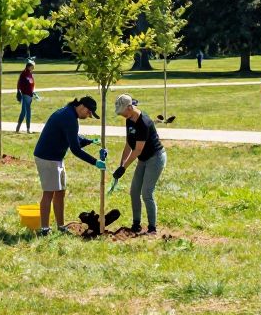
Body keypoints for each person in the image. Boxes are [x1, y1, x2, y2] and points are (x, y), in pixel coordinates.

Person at [33, 96, 105, 235]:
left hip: (56, 158)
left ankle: (60, 226)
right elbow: (75, 149)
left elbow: (73, 137)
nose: (89, 116)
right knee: (49, 193)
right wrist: (95, 162)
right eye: (89, 113)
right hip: (47, 158)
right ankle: (45, 229)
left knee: (60, 192)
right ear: (82, 107)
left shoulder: (69, 114)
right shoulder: (69, 117)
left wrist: (89, 141)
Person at [111, 94, 167, 234]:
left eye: (122, 111)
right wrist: (121, 164)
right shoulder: (129, 119)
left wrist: (124, 168)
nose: (121, 114)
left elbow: (137, 149)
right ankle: (136, 224)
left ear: (130, 108)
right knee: (134, 191)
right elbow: (129, 144)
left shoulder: (144, 123)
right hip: (143, 159)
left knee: (146, 192)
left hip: (155, 158)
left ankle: (152, 228)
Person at [15, 59, 36, 134]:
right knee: (28, 112)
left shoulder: (30, 74)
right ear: (28, 66)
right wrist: (19, 92)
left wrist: (33, 92)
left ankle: (18, 128)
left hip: (30, 95)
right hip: (25, 95)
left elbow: (31, 84)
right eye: (32, 66)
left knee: (24, 112)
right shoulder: (24, 74)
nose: (33, 68)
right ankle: (28, 129)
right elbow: (19, 84)